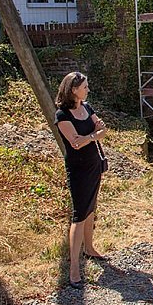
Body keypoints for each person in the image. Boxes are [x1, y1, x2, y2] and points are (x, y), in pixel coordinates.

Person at [55, 72, 108, 289]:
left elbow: (103, 128)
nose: (87, 90)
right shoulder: (62, 115)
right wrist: (93, 135)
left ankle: (90, 248)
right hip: (78, 169)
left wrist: (93, 135)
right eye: (84, 87)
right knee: (79, 214)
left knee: (91, 209)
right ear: (73, 89)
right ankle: (75, 268)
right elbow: (75, 143)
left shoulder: (87, 107)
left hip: (94, 164)